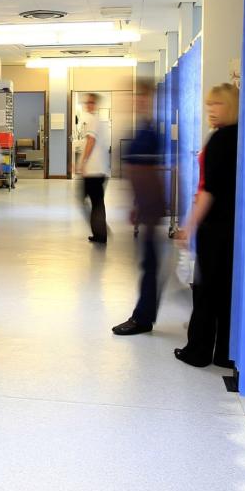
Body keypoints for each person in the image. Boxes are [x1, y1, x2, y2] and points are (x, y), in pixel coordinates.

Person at [174, 84, 240, 368]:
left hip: (215, 226)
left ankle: (197, 351)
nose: (211, 110)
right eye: (209, 105)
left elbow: (209, 191)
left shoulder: (220, 139)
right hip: (234, 224)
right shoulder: (242, 136)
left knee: (205, 290)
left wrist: (188, 225)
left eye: (217, 104)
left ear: (231, 105)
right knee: (226, 290)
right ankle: (226, 352)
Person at [112, 83, 166, 336]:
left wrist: (145, 207)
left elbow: (148, 174)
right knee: (149, 262)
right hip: (145, 205)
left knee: (150, 262)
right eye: (134, 97)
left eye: (141, 98)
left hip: (151, 207)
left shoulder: (150, 133)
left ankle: (143, 318)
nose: (136, 102)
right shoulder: (142, 130)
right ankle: (144, 314)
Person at [76, 94, 111, 244]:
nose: (88, 105)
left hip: (94, 171)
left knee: (91, 201)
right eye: (87, 102)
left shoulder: (92, 120)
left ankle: (101, 231)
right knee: (95, 202)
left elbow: (91, 140)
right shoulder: (97, 121)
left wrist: (83, 163)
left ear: (95, 104)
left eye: (91, 102)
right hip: (98, 170)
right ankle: (100, 231)